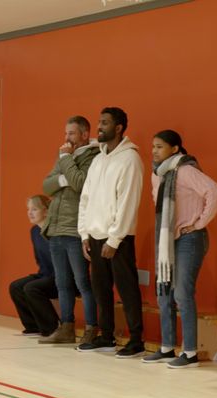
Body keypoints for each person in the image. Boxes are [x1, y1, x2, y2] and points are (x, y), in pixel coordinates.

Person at [142, 130, 217, 369]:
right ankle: (167, 347)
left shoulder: (186, 170)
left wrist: (198, 223)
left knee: (182, 293)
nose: (154, 151)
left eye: (160, 147)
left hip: (190, 239)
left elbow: (215, 191)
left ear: (175, 149)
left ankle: (190, 353)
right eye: (153, 146)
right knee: (164, 292)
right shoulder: (157, 174)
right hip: (168, 240)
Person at [76, 107, 146, 357]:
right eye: (98, 121)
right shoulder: (97, 159)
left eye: (104, 122)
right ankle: (106, 336)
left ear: (118, 128)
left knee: (127, 289)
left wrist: (114, 238)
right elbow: (85, 199)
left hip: (119, 238)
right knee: (100, 290)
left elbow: (128, 202)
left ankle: (136, 340)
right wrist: (84, 234)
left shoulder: (130, 159)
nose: (99, 126)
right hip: (94, 236)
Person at [38, 115, 100, 345]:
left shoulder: (93, 156)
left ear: (84, 134)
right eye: (66, 134)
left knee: (82, 282)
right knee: (62, 282)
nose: (66, 139)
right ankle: (66, 327)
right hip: (55, 227)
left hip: (75, 229)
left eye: (71, 134)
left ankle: (92, 328)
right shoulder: (65, 156)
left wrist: (65, 163)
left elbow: (80, 182)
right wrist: (64, 176)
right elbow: (46, 185)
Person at [9, 195, 59, 338]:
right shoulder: (34, 231)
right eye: (28, 209)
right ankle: (33, 327)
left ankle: (52, 328)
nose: (30, 213)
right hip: (45, 274)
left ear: (45, 211)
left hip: (60, 277)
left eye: (34, 209)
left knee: (31, 288)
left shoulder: (55, 231)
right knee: (15, 286)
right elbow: (40, 260)